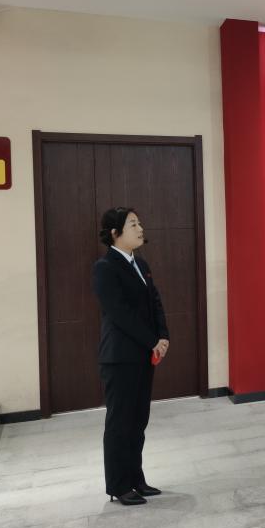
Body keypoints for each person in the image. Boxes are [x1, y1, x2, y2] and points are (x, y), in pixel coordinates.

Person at [92, 207, 169, 506]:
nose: (140, 228)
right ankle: (119, 485)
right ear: (115, 233)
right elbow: (120, 313)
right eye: (133, 224)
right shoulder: (105, 267)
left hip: (143, 354)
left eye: (139, 223)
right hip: (120, 357)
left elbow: (155, 302)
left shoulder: (141, 263)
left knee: (138, 421)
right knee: (120, 422)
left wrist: (163, 336)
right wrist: (152, 341)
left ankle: (136, 479)